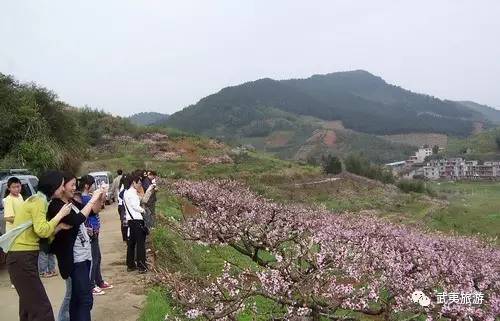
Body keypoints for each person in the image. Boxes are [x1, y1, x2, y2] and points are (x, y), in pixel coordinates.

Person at [7, 171, 72, 321]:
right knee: (42, 309)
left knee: (28, 309)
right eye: (62, 185)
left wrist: (58, 227)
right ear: (53, 186)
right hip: (22, 258)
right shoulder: (38, 201)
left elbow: (40, 233)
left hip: (22, 258)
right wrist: (59, 215)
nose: (63, 189)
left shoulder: (40, 200)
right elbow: (42, 231)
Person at [48, 172, 104, 321]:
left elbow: (93, 211)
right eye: (71, 185)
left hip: (84, 256)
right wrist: (93, 199)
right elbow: (77, 219)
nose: (74, 188)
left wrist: (100, 196)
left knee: (79, 300)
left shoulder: (71, 203)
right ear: (61, 187)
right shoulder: (56, 206)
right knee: (84, 299)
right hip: (74, 260)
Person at [80, 175, 113, 295]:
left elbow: (100, 204)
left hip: (95, 231)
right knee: (93, 259)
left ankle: (99, 281)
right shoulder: (84, 198)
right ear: (87, 185)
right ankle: (91, 285)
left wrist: (103, 194)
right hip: (90, 231)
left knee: (97, 257)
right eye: (92, 184)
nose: (94, 186)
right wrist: (99, 195)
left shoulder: (89, 196)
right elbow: (95, 210)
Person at [124, 172, 147, 273]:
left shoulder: (125, 192)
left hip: (130, 221)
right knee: (140, 244)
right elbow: (135, 206)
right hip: (137, 220)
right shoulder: (132, 193)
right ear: (134, 182)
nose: (140, 185)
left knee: (132, 244)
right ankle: (142, 266)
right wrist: (143, 210)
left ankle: (130, 264)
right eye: (139, 183)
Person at [117, 174, 128, 242]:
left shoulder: (120, 186)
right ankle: (125, 237)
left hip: (120, 206)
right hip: (122, 206)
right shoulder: (123, 188)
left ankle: (125, 237)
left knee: (123, 222)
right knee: (124, 222)